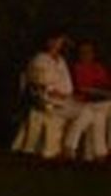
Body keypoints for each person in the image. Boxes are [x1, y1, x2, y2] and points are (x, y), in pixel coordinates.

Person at [24, 30, 93, 160]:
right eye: (58, 41)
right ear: (49, 42)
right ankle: (67, 147)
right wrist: (55, 93)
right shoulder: (40, 59)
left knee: (89, 111)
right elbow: (39, 83)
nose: (60, 44)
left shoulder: (61, 60)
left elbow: (67, 84)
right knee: (85, 111)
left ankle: (70, 145)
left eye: (60, 41)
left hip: (65, 100)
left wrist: (71, 96)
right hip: (49, 101)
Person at [70, 39, 111, 161]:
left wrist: (104, 92)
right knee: (99, 114)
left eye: (89, 52)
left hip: (100, 102)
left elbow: (106, 83)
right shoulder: (78, 68)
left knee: (99, 115)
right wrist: (102, 92)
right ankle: (101, 152)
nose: (86, 55)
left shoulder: (97, 67)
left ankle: (97, 153)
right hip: (87, 101)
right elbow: (83, 88)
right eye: (83, 52)